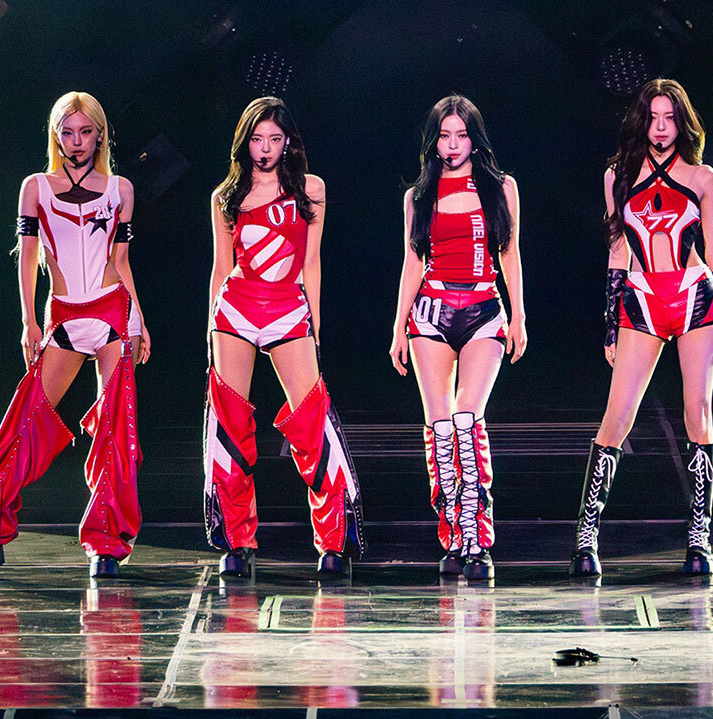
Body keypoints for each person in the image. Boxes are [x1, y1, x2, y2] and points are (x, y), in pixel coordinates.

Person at [0, 91, 148, 580]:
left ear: (100, 135)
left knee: (116, 428)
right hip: (63, 316)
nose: (77, 141)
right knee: (26, 422)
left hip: (112, 311)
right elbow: (27, 257)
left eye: (86, 132)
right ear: (55, 135)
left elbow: (121, 262)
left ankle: (106, 545)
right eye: (67, 132)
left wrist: (139, 320)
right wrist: (28, 321)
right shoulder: (36, 187)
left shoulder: (121, 189)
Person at [568, 78, 713, 578]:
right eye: (653, 118)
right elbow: (617, 251)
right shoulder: (618, 176)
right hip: (642, 297)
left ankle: (699, 537)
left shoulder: (703, 177)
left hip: (695, 296)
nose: (661, 127)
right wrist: (610, 325)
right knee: (618, 415)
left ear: (682, 123)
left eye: (669, 118)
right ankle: (586, 537)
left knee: (698, 410)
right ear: (641, 121)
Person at [204, 97, 365, 578]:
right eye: (257, 139)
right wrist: (210, 326)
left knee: (311, 421)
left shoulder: (310, 189)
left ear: (288, 142)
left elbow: (312, 261)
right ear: (245, 142)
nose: (265, 148)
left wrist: (315, 322)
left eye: (274, 139)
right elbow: (221, 266)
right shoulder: (225, 196)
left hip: (289, 307)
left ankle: (333, 542)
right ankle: (237, 542)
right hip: (235, 307)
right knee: (231, 425)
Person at [389, 95, 527, 580]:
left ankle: (477, 540)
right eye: (444, 136)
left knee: (468, 418)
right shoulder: (418, 195)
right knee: (441, 428)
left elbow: (510, 253)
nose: (452, 145)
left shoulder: (501, 187)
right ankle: (453, 538)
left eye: (461, 135)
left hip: (484, 309)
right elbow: (412, 261)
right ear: (434, 141)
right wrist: (398, 327)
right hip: (430, 312)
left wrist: (519, 316)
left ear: (475, 138)